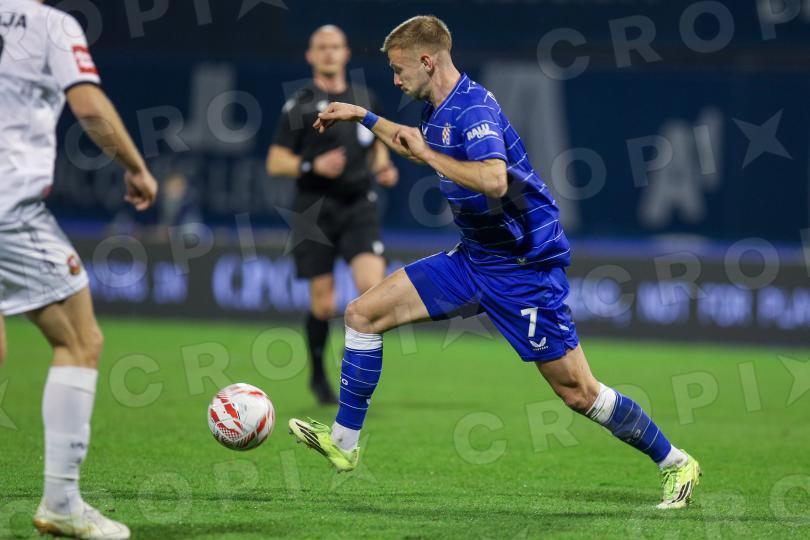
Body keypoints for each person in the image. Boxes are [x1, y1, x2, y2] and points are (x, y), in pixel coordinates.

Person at [288, 15, 701, 510]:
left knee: (578, 392)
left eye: (399, 69)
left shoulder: (474, 108)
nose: (394, 80)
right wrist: (364, 116)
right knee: (361, 314)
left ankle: (676, 462)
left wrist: (428, 154)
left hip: (524, 269)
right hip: (473, 260)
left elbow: (493, 179)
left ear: (427, 61)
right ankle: (344, 443)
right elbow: (416, 147)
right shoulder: (437, 110)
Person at [0, 1, 158, 537]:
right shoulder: (50, 24)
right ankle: (62, 501)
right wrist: (135, 166)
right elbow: (88, 106)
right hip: (9, 209)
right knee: (80, 340)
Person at [267, 25, 398, 405]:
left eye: (335, 46)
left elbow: (376, 145)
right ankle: (318, 374)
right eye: (321, 47)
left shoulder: (364, 98)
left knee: (372, 292)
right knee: (324, 305)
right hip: (314, 210)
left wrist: (383, 165)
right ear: (310, 55)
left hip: (359, 205)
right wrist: (312, 165)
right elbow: (275, 161)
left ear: (346, 53)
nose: (329, 52)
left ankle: (351, 365)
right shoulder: (299, 105)